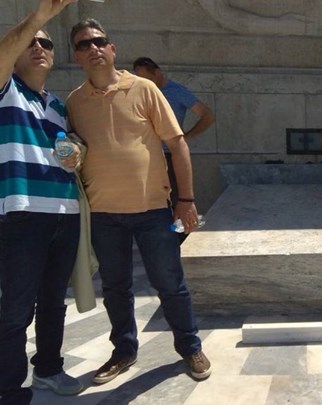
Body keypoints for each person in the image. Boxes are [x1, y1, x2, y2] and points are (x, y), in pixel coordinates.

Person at [65, 18, 211, 385]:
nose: (93, 48)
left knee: (170, 283)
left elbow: (177, 144)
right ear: (76, 56)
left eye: (99, 41)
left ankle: (190, 347)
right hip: (103, 215)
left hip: (153, 211)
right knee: (115, 289)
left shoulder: (144, 89)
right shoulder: (74, 102)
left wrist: (186, 200)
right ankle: (124, 351)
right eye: (83, 44)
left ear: (112, 49)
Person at [0, 1, 84, 403]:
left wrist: (76, 154)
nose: (38, 47)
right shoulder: (6, 91)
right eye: (30, 42)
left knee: (54, 302)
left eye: (46, 43)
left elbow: (69, 153)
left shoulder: (59, 106)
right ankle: (8, 388)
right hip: (22, 216)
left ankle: (49, 369)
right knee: (16, 308)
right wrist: (40, 17)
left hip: (65, 214)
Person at [132, 57, 215, 209]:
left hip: (170, 155)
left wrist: (186, 137)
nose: (144, 84)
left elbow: (207, 116)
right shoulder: (140, 92)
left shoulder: (176, 92)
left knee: (174, 202)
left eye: (147, 79)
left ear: (157, 73)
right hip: (146, 156)